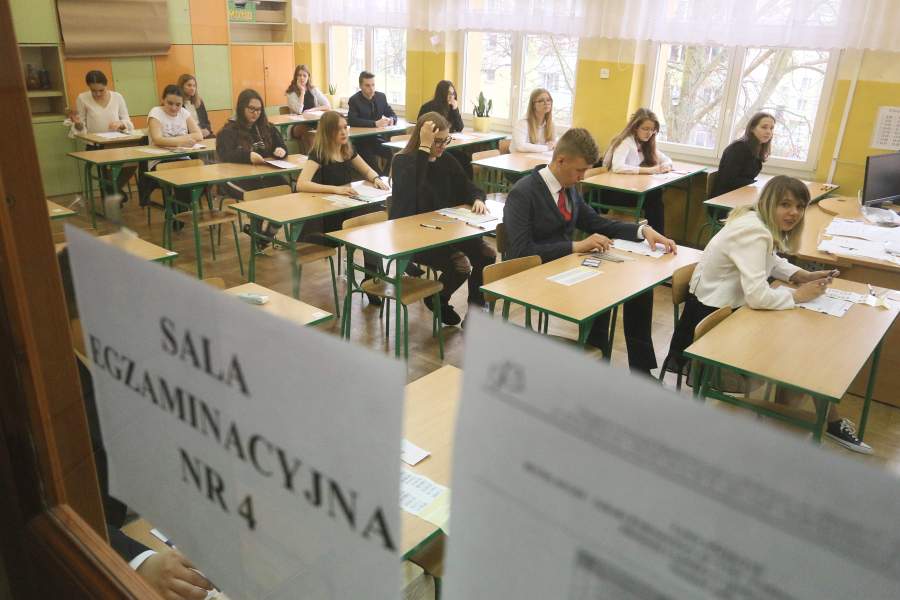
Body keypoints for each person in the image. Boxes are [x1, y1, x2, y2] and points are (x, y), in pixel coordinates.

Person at [664, 175, 870, 453]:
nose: (794, 212)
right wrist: (797, 295)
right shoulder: (753, 231)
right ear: (769, 203)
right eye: (785, 205)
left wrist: (802, 275)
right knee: (800, 354)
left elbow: (770, 260)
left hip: (730, 310)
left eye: (799, 206)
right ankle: (812, 425)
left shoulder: (756, 221)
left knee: (801, 346)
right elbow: (758, 296)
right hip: (715, 323)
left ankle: (803, 421)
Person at [504, 127, 676, 375]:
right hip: (535, 276)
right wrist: (575, 246)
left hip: (565, 268)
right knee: (602, 293)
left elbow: (597, 223)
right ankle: (595, 359)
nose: (582, 177)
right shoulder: (523, 193)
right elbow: (521, 252)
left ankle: (639, 369)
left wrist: (642, 230)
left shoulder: (569, 188)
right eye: (580, 170)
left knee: (638, 288)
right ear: (560, 161)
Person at [390, 112, 497, 326]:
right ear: (423, 138)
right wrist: (423, 149)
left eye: (445, 140)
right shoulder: (403, 161)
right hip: (415, 236)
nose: (442, 146)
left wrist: (477, 198)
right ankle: (439, 298)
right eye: (436, 141)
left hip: (446, 230)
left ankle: (475, 312)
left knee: (486, 255)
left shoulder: (446, 160)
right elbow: (412, 192)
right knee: (460, 265)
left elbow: (468, 186)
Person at [296, 111, 388, 305]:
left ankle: (371, 277)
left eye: (345, 127)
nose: (344, 132)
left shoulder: (346, 150)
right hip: (325, 220)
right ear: (327, 132)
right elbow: (301, 184)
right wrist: (335, 189)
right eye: (338, 129)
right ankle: (372, 277)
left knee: (372, 218)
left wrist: (376, 178)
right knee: (368, 221)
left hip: (345, 210)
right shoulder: (318, 154)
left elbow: (366, 169)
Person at [65, 70, 136, 199]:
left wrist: (120, 124)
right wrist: (78, 124)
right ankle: (114, 193)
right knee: (106, 165)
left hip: (117, 142)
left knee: (133, 162)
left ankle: (113, 190)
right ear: (88, 87)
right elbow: (81, 127)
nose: (97, 94)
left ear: (106, 85)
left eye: (101, 90)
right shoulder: (82, 98)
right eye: (93, 91)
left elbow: (127, 121)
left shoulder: (117, 97)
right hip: (95, 145)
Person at [601, 108, 673, 234]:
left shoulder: (645, 143)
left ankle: (655, 236)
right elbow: (617, 166)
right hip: (611, 192)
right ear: (635, 128)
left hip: (626, 188)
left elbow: (666, 159)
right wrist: (649, 170)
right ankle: (657, 236)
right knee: (654, 196)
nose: (649, 133)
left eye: (652, 130)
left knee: (655, 195)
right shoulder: (625, 142)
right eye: (645, 129)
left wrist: (666, 166)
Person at [137, 85, 204, 211]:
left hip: (182, 158)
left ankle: (177, 208)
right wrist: (182, 141)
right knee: (182, 179)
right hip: (160, 161)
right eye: (170, 103)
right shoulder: (156, 112)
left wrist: (173, 141)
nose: (174, 108)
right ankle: (177, 210)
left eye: (178, 104)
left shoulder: (184, 113)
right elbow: (158, 139)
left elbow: (199, 135)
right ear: (163, 100)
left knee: (203, 178)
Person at [216, 88, 289, 200]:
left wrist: (281, 150)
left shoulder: (267, 127)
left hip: (264, 174)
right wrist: (247, 156)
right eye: (251, 109)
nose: (256, 113)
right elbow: (226, 155)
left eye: (259, 110)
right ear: (241, 108)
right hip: (238, 177)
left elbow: (280, 145)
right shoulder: (228, 131)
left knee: (286, 189)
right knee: (259, 196)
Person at [712, 112, 775, 197]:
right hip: (724, 198)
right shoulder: (738, 148)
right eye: (764, 127)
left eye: (771, 128)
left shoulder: (757, 148)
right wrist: (755, 183)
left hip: (740, 194)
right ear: (752, 128)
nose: (768, 132)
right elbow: (729, 180)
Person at [347, 71, 398, 173]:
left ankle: (385, 176)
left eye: (373, 85)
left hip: (376, 139)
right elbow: (352, 121)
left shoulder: (381, 97)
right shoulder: (354, 100)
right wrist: (374, 124)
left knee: (394, 155)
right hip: (361, 142)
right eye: (367, 85)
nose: (371, 89)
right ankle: (379, 177)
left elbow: (392, 114)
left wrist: (391, 120)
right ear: (360, 86)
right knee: (374, 168)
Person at [285, 64, 331, 153]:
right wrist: (302, 91)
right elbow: (299, 110)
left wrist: (312, 110)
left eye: (304, 75)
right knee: (308, 132)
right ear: (295, 77)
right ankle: (313, 158)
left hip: (314, 123)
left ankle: (310, 157)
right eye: (299, 75)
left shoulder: (313, 89)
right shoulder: (291, 93)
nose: (302, 78)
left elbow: (328, 105)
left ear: (308, 77)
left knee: (325, 129)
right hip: (297, 126)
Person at [510, 88, 556, 153]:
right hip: (517, 158)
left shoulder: (551, 124)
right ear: (533, 105)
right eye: (541, 101)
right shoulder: (523, 123)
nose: (546, 103)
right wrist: (547, 147)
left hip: (536, 157)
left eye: (548, 100)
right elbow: (521, 146)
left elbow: (553, 144)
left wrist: (554, 144)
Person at [177, 73, 213, 139]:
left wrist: (207, 130)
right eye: (189, 85)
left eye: (194, 86)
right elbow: (178, 127)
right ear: (181, 86)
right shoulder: (177, 104)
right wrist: (197, 132)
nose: (192, 88)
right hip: (188, 136)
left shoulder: (199, 101)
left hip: (203, 134)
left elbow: (206, 122)